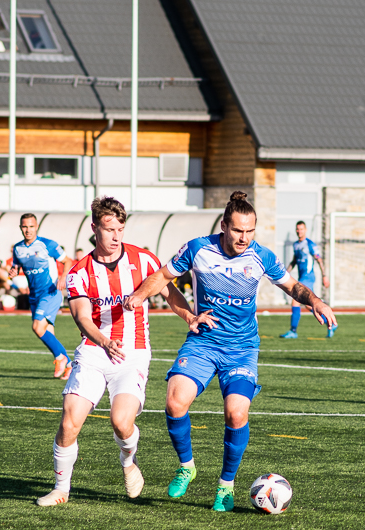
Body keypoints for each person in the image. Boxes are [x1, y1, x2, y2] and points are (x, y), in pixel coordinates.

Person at [125, 191, 337, 511]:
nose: (244, 238)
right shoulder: (198, 249)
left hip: (241, 348)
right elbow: (163, 276)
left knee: (236, 413)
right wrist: (141, 296)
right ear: (224, 225)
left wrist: (316, 301)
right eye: (238, 230)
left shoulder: (261, 256)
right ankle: (187, 467)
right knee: (174, 402)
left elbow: (292, 286)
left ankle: (226, 486)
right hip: (203, 342)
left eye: (250, 231)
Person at [36, 197, 214, 506]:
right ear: (95, 228)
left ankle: (128, 461)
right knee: (69, 422)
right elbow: (82, 317)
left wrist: (189, 316)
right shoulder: (80, 272)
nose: (116, 236)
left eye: (120, 229)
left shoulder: (143, 260)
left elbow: (169, 292)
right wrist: (104, 342)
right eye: (109, 229)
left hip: (133, 353)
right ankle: (61, 489)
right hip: (94, 351)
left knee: (121, 422)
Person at [8, 213, 75, 380]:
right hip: (34, 295)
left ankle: (61, 358)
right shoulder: (17, 248)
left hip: (50, 292)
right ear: (20, 228)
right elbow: (16, 266)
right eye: (25, 226)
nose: (28, 230)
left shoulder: (48, 244)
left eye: (31, 226)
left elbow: (68, 261)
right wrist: (13, 271)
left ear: (36, 227)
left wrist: (63, 277)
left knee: (37, 327)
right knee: (46, 331)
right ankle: (68, 364)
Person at [280, 220, 334, 339]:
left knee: (295, 300)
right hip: (302, 278)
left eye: (301, 229)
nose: (299, 231)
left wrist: (324, 276)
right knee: (309, 305)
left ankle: (293, 331)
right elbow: (294, 261)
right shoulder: (296, 245)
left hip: (308, 277)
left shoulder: (310, 244)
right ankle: (330, 322)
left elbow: (319, 260)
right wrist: (284, 273)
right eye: (297, 229)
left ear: (306, 230)